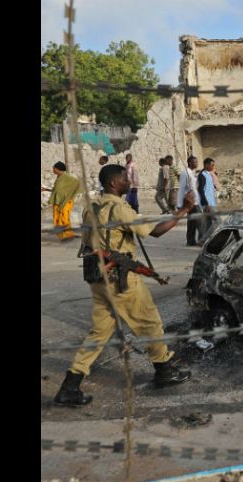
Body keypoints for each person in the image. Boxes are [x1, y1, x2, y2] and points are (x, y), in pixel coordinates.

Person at [53, 164, 196, 406]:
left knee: (99, 333)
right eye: (124, 177)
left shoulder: (91, 205)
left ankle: (70, 386)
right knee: (149, 322)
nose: (129, 180)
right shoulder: (118, 208)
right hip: (120, 278)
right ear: (113, 183)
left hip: (98, 277)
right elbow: (155, 231)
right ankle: (165, 370)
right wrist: (184, 209)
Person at [46, 161, 81, 241]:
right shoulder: (59, 177)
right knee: (57, 218)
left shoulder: (66, 177)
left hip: (66, 201)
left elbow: (76, 183)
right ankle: (64, 235)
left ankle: (67, 235)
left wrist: (70, 194)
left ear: (58, 169)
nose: (53, 170)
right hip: (58, 201)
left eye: (54, 168)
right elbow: (58, 190)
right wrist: (46, 189)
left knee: (64, 218)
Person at [178, 155, 204, 246]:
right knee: (200, 222)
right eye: (194, 162)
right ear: (189, 163)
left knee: (192, 222)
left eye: (197, 162)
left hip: (195, 200)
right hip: (191, 201)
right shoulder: (185, 174)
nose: (196, 163)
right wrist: (180, 203)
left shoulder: (192, 173)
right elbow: (181, 188)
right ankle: (201, 241)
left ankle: (190, 241)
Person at [198, 158, 218, 239]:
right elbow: (200, 190)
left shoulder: (209, 174)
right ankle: (204, 239)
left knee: (208, 222)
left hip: (211, 202)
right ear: (206, 165)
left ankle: (205, 239)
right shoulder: (202, 175)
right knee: (218, 221)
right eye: (212, 165)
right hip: (208, 203)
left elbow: (209, 188)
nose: (213, 166)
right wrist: (206, 204)